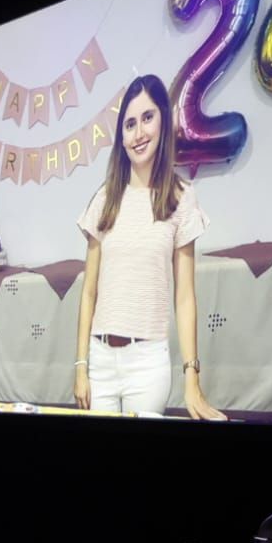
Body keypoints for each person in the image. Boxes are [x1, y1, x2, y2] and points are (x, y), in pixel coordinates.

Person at [73, 74, 225, 420]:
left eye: (147, 118)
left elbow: (185, 297)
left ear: (163, 122)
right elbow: (88, 293)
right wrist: (81, 367)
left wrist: (192, 378)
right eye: (129, 124)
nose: (138, 133)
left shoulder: (181, 199)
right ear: (120, 137)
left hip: (148, 363)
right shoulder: (105, 198)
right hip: (100, 360)